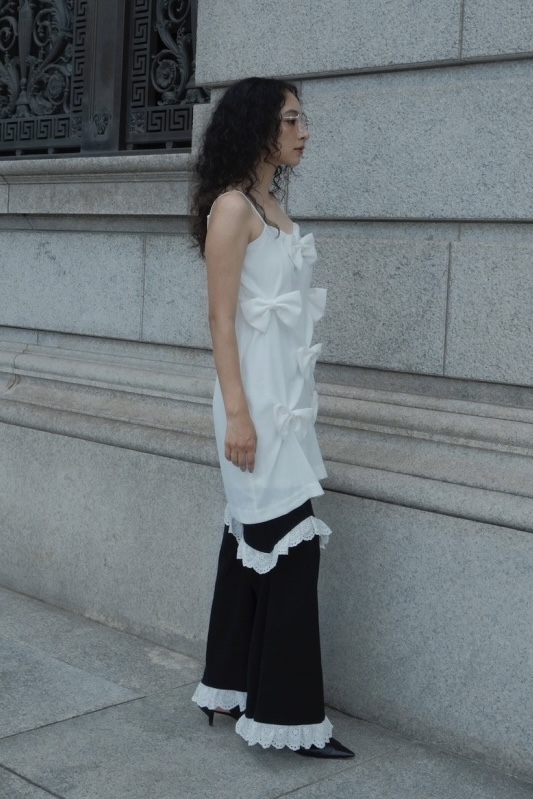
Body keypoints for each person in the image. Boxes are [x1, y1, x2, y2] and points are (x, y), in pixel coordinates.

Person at [190, 77, 354, 759]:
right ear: (257, 126)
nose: (304, 131)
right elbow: (220, 319)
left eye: (302, 119)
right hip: (252, 407)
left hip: (286, 409)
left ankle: (226, 685)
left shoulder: (270, 205)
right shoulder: (232, 208)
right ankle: (289, 717)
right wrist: (238, 415)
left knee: (252, 543)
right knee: (289, 551)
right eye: (291, 119)